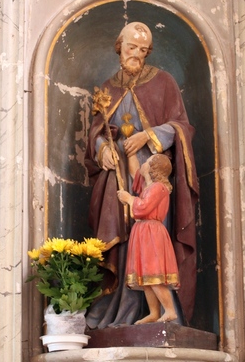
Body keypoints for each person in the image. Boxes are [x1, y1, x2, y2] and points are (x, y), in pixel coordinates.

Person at [84, 21, 198, 329]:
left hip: (151, 173)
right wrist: (102, 149)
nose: (137, 55)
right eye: (131, 48)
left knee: (152, 244)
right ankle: (119, 307)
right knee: (121, 240)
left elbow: (182, 126)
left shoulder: (164, 82)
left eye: (143, 50)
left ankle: (164, 312)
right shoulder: (107, 89)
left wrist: (149, 135)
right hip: (117, 175)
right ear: (119, 47)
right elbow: (96, 131)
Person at [117, 153, 180, 324]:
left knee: (154, 273)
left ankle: (170, 310)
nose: (143, 164)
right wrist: (128, 153)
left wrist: (130, 199)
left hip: (151, 233)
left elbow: (143, 208)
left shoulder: (158, 188)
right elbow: (136, 175)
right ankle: (154, 313)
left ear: (153, 169)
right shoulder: (147, 187)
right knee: (145, 276)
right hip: (143, 232)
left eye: (147, 162)